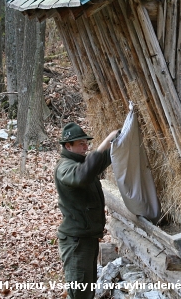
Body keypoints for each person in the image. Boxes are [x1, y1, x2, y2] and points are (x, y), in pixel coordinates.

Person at [54, 122, 119, 299]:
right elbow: (82, 175)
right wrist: (105, 142)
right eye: (81, 144)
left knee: (87, 292)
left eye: (86, 143)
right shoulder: (65, 167)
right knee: (80, 293)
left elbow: (100, 161)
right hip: (76, 242)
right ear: (68, 146)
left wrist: (118, 141)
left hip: (86, 237)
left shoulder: (82, 164)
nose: (86, 147)